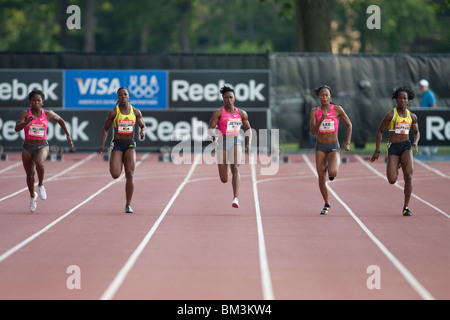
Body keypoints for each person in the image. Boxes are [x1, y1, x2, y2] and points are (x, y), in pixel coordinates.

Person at [14, 89, 74, 212]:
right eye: (34, 100)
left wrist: (68, 135)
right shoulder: (25, 114)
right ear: (30, 102)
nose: (36, 102)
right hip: (27, 147)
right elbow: (16, 128)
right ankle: (32, 196)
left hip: (42, 145)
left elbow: (61, 120)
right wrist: (26, 122)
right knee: (30, 175)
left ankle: (41, 185)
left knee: (40, 163)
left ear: (42, 102)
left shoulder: (48, 113)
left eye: (38, 100)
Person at [370, 86, 420, 216]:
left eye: (405, 98)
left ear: (408, 101)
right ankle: (397, 163)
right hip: (393, 147)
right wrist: (377, 150)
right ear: (396, 100)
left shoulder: (412, 116)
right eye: (400, 98)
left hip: (406, 146)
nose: (402, 100)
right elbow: (380, 131)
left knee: (408, 177)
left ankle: (406, 207)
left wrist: (415, 141)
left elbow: (416, 131)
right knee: (392, 180)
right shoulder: (391, 115)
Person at [98, 87, 147, 213]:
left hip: (130, 144)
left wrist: (143, 131)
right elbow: (105, 128)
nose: (123, 97)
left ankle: (128, 204)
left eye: (125, 94)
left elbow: (143, 125)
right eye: (120, 95)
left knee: (130, 174)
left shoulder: (135, 112)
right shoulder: (114, 112)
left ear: (129, 96)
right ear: (118, 97)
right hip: (118, 144)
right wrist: (102, 144)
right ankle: (115, 162)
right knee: (115, 174)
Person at [309, 85, 352, 215]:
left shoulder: (337, 109)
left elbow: (349, 124)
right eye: (322, 95)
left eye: (326, 95)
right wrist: (321, 119)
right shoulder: (314, 111)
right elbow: (312, 131)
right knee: (321, 177)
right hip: (320, 146)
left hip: (333, 146)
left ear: (330, 96)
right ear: (318, 97)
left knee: (332, 173)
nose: (324, 97)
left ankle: (329, 164)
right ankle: (327, 203)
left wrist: (348, 142)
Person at [207, 86, 251, 209]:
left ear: (234, 98)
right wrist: (214, 136)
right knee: (224, 179)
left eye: (231, 97)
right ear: (223, 99)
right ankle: (225, 168)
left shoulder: (241, 113)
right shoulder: (218, 113)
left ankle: (235, 198)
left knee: (236, 168)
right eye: (226, 98)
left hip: (236, 142)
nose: (229, 100)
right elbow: (210, 129)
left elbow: (248, 129)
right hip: (222, 143)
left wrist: (248, 143)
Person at [418, 79, 438, 154]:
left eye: (422, 86)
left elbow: (433, 105)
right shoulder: (424, 95)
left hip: (428, 116)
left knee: (429, 131)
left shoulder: (429, 94)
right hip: (424, 116)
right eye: (420, 86)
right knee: (424, 131)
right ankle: (425, 148)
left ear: (426, 86)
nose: (421, 88)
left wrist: (429, 114)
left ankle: (434, 145)